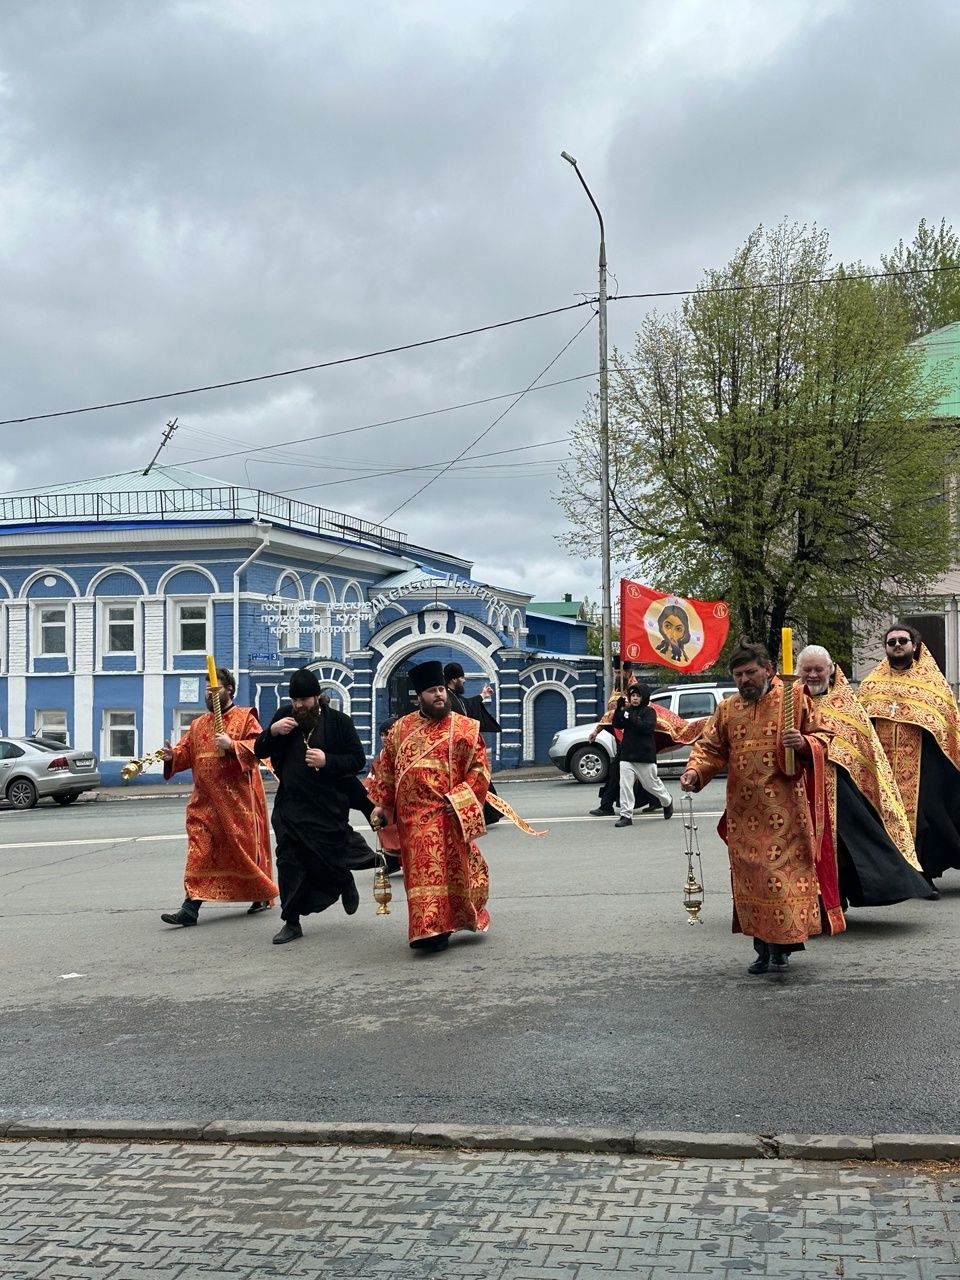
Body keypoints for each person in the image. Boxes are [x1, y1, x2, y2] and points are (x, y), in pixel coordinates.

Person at [680, 641, 837, 976]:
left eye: (750, 672)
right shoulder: (727, 709)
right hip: (744, 813)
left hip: (785, 812)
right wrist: (695, 770)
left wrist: (805, 744)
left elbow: (824, 734)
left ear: (768, 670)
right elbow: (710, 747)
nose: (745, 680)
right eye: (738, 675)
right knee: (752, 881)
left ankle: (781, 951)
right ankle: (762, 949)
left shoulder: (794, 700)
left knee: (779, 881)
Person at [797, 645, 936, 908]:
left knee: (847, 848)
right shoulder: (788, 704)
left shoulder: (847, 705)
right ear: (798, 671)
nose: (813, 675)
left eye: (818, 669)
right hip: (798, 787)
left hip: (842, 789)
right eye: (807, 670)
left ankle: (836, 897)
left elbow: (866, 753)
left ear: (831, 670)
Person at [253, 667, 366, 944]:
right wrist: (272, 732)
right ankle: (291, 922)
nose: (300, 706)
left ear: (317, 697)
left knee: (329, 857)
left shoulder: (339, 722)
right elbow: (258, 751)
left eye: (305, 700)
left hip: (327, 808)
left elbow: (357, 760)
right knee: (289, 864)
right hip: (290, 808)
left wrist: (328, 760)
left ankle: (344, 880)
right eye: (295, 701)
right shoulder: (284, 718)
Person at [160, 667, 278, 927]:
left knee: (242, 853)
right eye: (206, 689)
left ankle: (260, 892)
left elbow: (260, 748)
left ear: (230, 690)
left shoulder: (245, 717)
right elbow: (185, 753)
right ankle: (190, 906)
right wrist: (172, 757)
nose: (209, 694)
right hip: (204, 804)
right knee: (199, 850)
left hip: (238, 803)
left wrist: (233, 745)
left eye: (214, 690)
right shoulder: (198, 724)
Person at [858, 623, 960, 884]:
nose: (897, 646)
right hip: (884, 766)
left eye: (903, 641)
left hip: (925, 763)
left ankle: (924, 874)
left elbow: (948, 723)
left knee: (927, 817)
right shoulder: (871, 685)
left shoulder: (932, 683)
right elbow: (860, 725)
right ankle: (904, 876)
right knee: (888, 817)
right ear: (886, 649)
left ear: (914, 645)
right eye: (891, 642)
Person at [443, 661, 502, 825]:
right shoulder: (446, 699)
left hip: (467, 752)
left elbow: (467, 706)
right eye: (462, 677)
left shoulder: (455, 697)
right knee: (472, 783)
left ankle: (483, 815)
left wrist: (482, 696)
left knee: (480, 780)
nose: (464, 680)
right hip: (456, 754)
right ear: (454, 679)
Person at [611, 683, 674, 826]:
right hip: (627, 755)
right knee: (625, 785)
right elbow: (617, 724)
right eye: (632, 695)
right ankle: (626, 816)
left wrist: (629, 716)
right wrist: (619, 710)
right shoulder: (627, 711)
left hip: (644, 755)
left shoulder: (649, 712)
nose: (634, 698)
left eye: (638, 696)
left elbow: (646, 728)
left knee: (651, 785)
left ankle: (667, 800)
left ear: (643, 697)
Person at [363, 717, 402, 875]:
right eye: (382, 734)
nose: (385, 737)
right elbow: (373, 776)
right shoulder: (381, 755)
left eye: (388, 733)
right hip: (384, 800)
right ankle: (392, 863)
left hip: (398, 799)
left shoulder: (403, 753)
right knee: (382, 828)